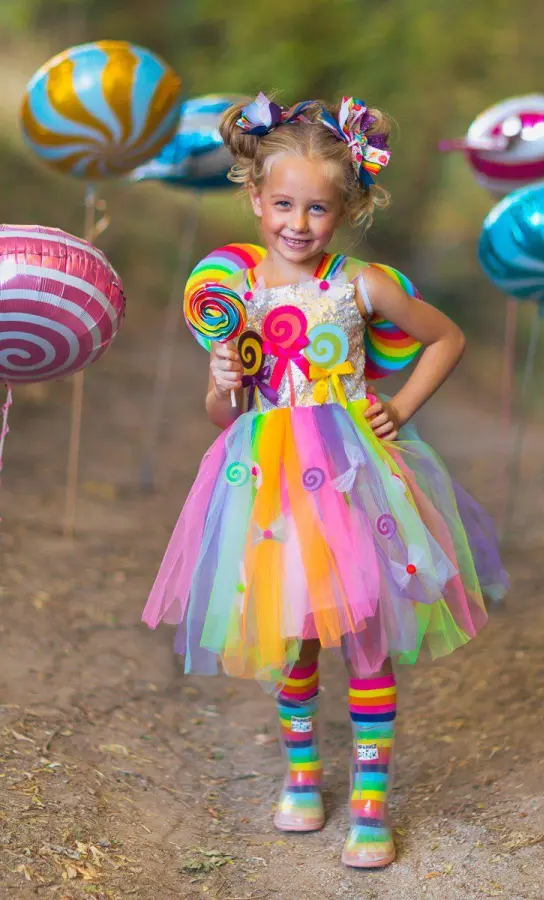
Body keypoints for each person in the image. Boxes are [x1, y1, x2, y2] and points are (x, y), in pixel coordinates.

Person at [143, 93, 507, 869]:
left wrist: (400, 406)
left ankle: (371, 801)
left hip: (351, 480)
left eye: (318, 208)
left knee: (367, 636)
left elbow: (446, 337)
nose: (297, 223)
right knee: (294, 633)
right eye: (283, 204)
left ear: (347, 208)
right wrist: (220, 379)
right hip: (268, 484)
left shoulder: (361, 283)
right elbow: (224, 413)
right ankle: (303, 776)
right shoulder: (236, 297)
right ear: (254, 198)